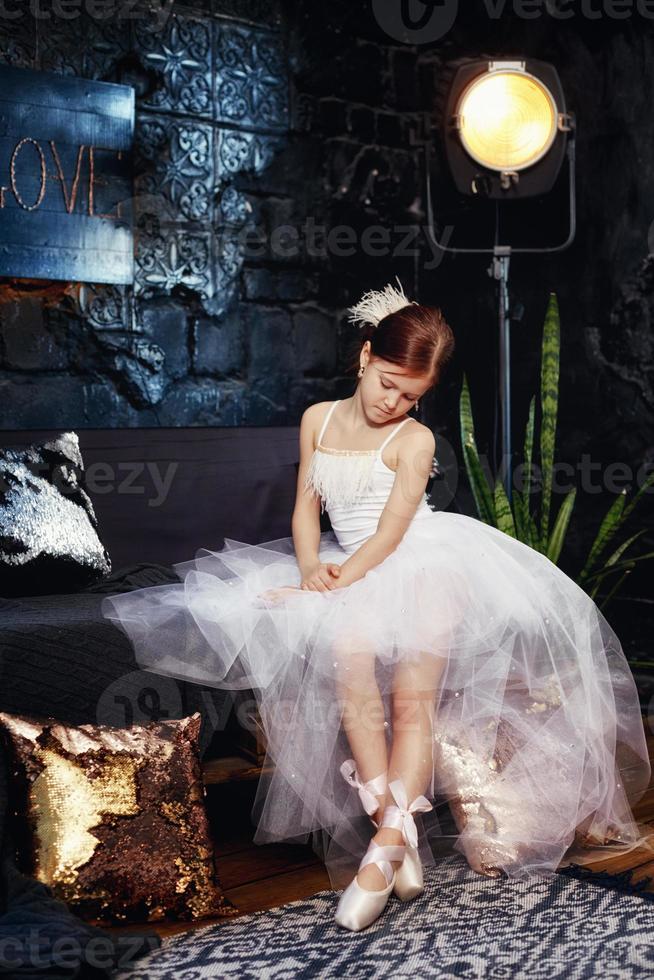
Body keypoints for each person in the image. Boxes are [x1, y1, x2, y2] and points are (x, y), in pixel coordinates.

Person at [102, 280, 653, 932]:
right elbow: (306, 509)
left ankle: (385, 848)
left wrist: (339, 581)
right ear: (366, 356)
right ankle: (401, 839)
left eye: (411, 395)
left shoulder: (412, 442)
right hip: (343, 563)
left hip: (418, 566)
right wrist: (310, 570)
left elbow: (392, 531)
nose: (394, 402)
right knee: (351, 680)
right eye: (388, 382)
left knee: (408, 704)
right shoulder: (319, 420)